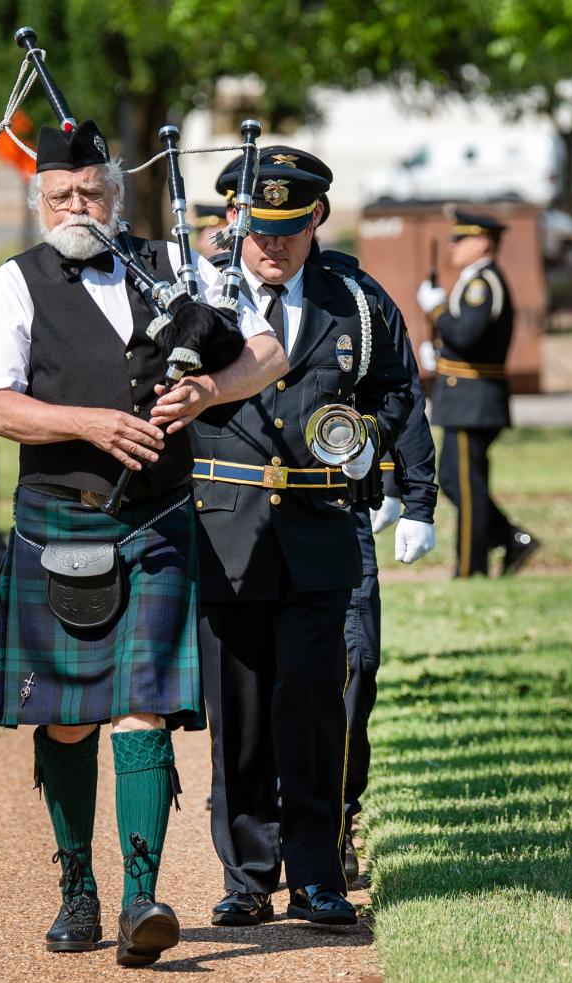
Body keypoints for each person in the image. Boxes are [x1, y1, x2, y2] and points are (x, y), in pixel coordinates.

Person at [0, 119, 285, 967]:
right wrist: (92, 425)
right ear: (39, 199)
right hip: (60, 519)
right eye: (60, 194)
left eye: (90, 190)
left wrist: (208, 389)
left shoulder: (173, 265)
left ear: (115, 190)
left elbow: (268, 351)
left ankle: (141, 898)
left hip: (160, 518)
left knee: (141, 705)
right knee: (64, 718)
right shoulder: (15, 284)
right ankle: (78, 891)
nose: (76, 205)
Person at [192, 146, 413, 927]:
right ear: (232, 220)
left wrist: (365, 438)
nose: (271, 244)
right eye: (257, 227)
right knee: (241, 711)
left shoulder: (351, 296)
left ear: (315, 217)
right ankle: (247, 874)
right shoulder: (199, 295)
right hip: (230, 531)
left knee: (316, 710)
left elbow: (397, 387)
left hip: (319, 529)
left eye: (288, 227)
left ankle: (318, 874)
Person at [308, 215, 437, 883]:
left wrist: (415, 496)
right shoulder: (226, 290)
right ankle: (264, 824)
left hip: (339, 509)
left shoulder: (358, 295)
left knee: (354, 668)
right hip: (251, 516)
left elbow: (402, 395)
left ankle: (336, 820)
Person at [416, 208, 539, 577]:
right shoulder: (474, 280)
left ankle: (472, 567)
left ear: (483, 242)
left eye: (461, 238)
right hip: (465, 398)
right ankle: (512, 538)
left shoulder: (482, 283)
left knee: (466, 485)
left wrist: (435, 309)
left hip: (474, 399)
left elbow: (466, 335)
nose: (453, 245)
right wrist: (439, 355)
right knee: (455, 480)